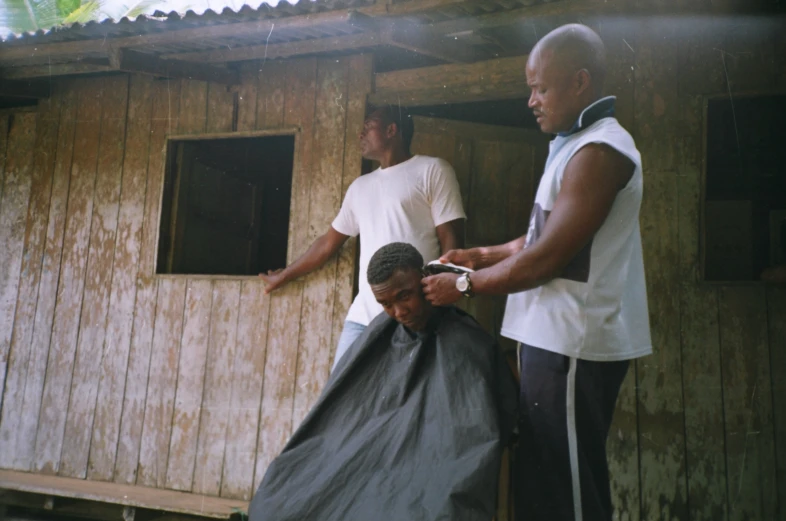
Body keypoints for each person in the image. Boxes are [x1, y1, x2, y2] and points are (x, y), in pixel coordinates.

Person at [421, 24, 653, 521]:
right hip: (552, 338)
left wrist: (464, 285)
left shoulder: (599, 152)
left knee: (566, 487)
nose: (530, 101)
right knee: (547, 477)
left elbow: (548, 259)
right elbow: (539, 240)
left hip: (573, 341)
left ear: (580, 82)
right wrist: (479, 256)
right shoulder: (573, 145)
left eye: (540, 88)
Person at [248, 243, 518, 521]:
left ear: (426, 281)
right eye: (386, 304)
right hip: (373, 458)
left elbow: (475, 435)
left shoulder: (465, 341)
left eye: (405, 296)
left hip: (429, 470)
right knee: (276, 501)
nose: (399, 312)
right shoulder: (378, 336)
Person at [259, 105, 466, 370]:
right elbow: (327, 243)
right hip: (364, 315)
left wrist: (440, 303)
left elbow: (451, 239)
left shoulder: (432, 170)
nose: (360, 135)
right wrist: (284, 275)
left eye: (368, 127)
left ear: (391, 130)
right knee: (340, 396)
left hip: (416, 314)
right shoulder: (360, 187)